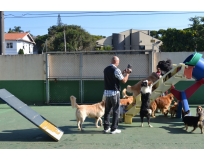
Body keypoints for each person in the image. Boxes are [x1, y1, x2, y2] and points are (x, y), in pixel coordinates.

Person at [103, 56, 131, 134]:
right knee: (116, 110)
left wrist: (123, 72)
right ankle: (114, 129)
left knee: (107, 111)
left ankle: (106, 128)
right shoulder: (116, 70)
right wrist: (127, 74)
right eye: (118, 62)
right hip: (114, 93)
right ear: (116, 62)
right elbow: (124, 81)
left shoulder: (106, 69)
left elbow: (114, 77)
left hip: (107, 93)